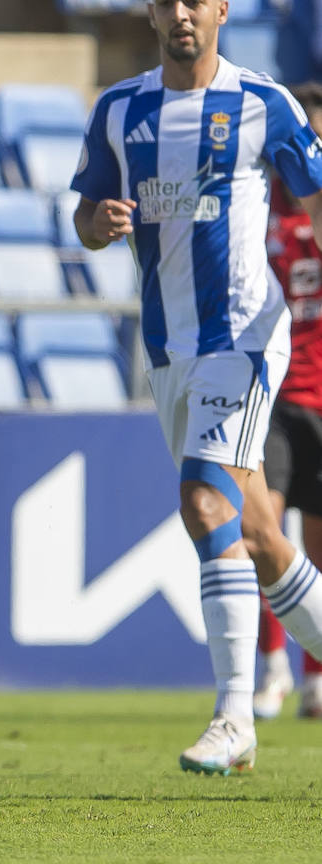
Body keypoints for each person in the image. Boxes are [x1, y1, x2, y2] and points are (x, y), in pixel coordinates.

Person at [73, 0, 322, 775]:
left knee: (204, 501)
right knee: (262, 536)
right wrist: (99, 221)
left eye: (196, 0)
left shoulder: (264, 103)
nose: (181, 13)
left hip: (243, 336)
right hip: (167, 350)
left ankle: (234, 716)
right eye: (167, 1)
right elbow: (84, 218)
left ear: (221, 10)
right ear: (150, 13)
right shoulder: (119, 109)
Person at [256, 81, 322, 721]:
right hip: (273, 391)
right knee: (264, 532)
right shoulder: (262, 204)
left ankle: (315, 679)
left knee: (318, 547)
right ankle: (272, 670)